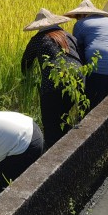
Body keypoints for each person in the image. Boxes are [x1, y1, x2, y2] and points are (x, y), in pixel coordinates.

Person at [21, 8, 84, 147]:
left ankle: (51, 153)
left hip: (54, 82)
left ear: (39, 26)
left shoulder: (37, 39)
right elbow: (81, 55)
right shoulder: (68, 35)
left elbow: (26, 61)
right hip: (79, 78)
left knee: (50, 124)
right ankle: (68, 147)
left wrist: (26, 78)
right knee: (65, 116)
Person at [64, 0, 108, 109]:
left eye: (78, 16)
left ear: (83, 14)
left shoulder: (80, 24)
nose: (77, 19)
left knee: (94, 104)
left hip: (101, 65)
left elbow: (78, 49)